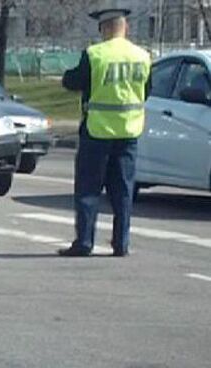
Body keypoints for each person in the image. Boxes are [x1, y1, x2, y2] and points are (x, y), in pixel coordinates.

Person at [59, 6, 151, 257]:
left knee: (88, 189)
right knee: (122, 190)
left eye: (101, 29)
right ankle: (121, 244)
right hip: (128, 131)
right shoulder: (143, 56)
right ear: (126, 27)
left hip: (97, 131)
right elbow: (147, 91)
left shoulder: (95, 54)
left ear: (106, 28)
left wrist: (67, 76)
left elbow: (73, 81)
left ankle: (84, 242)